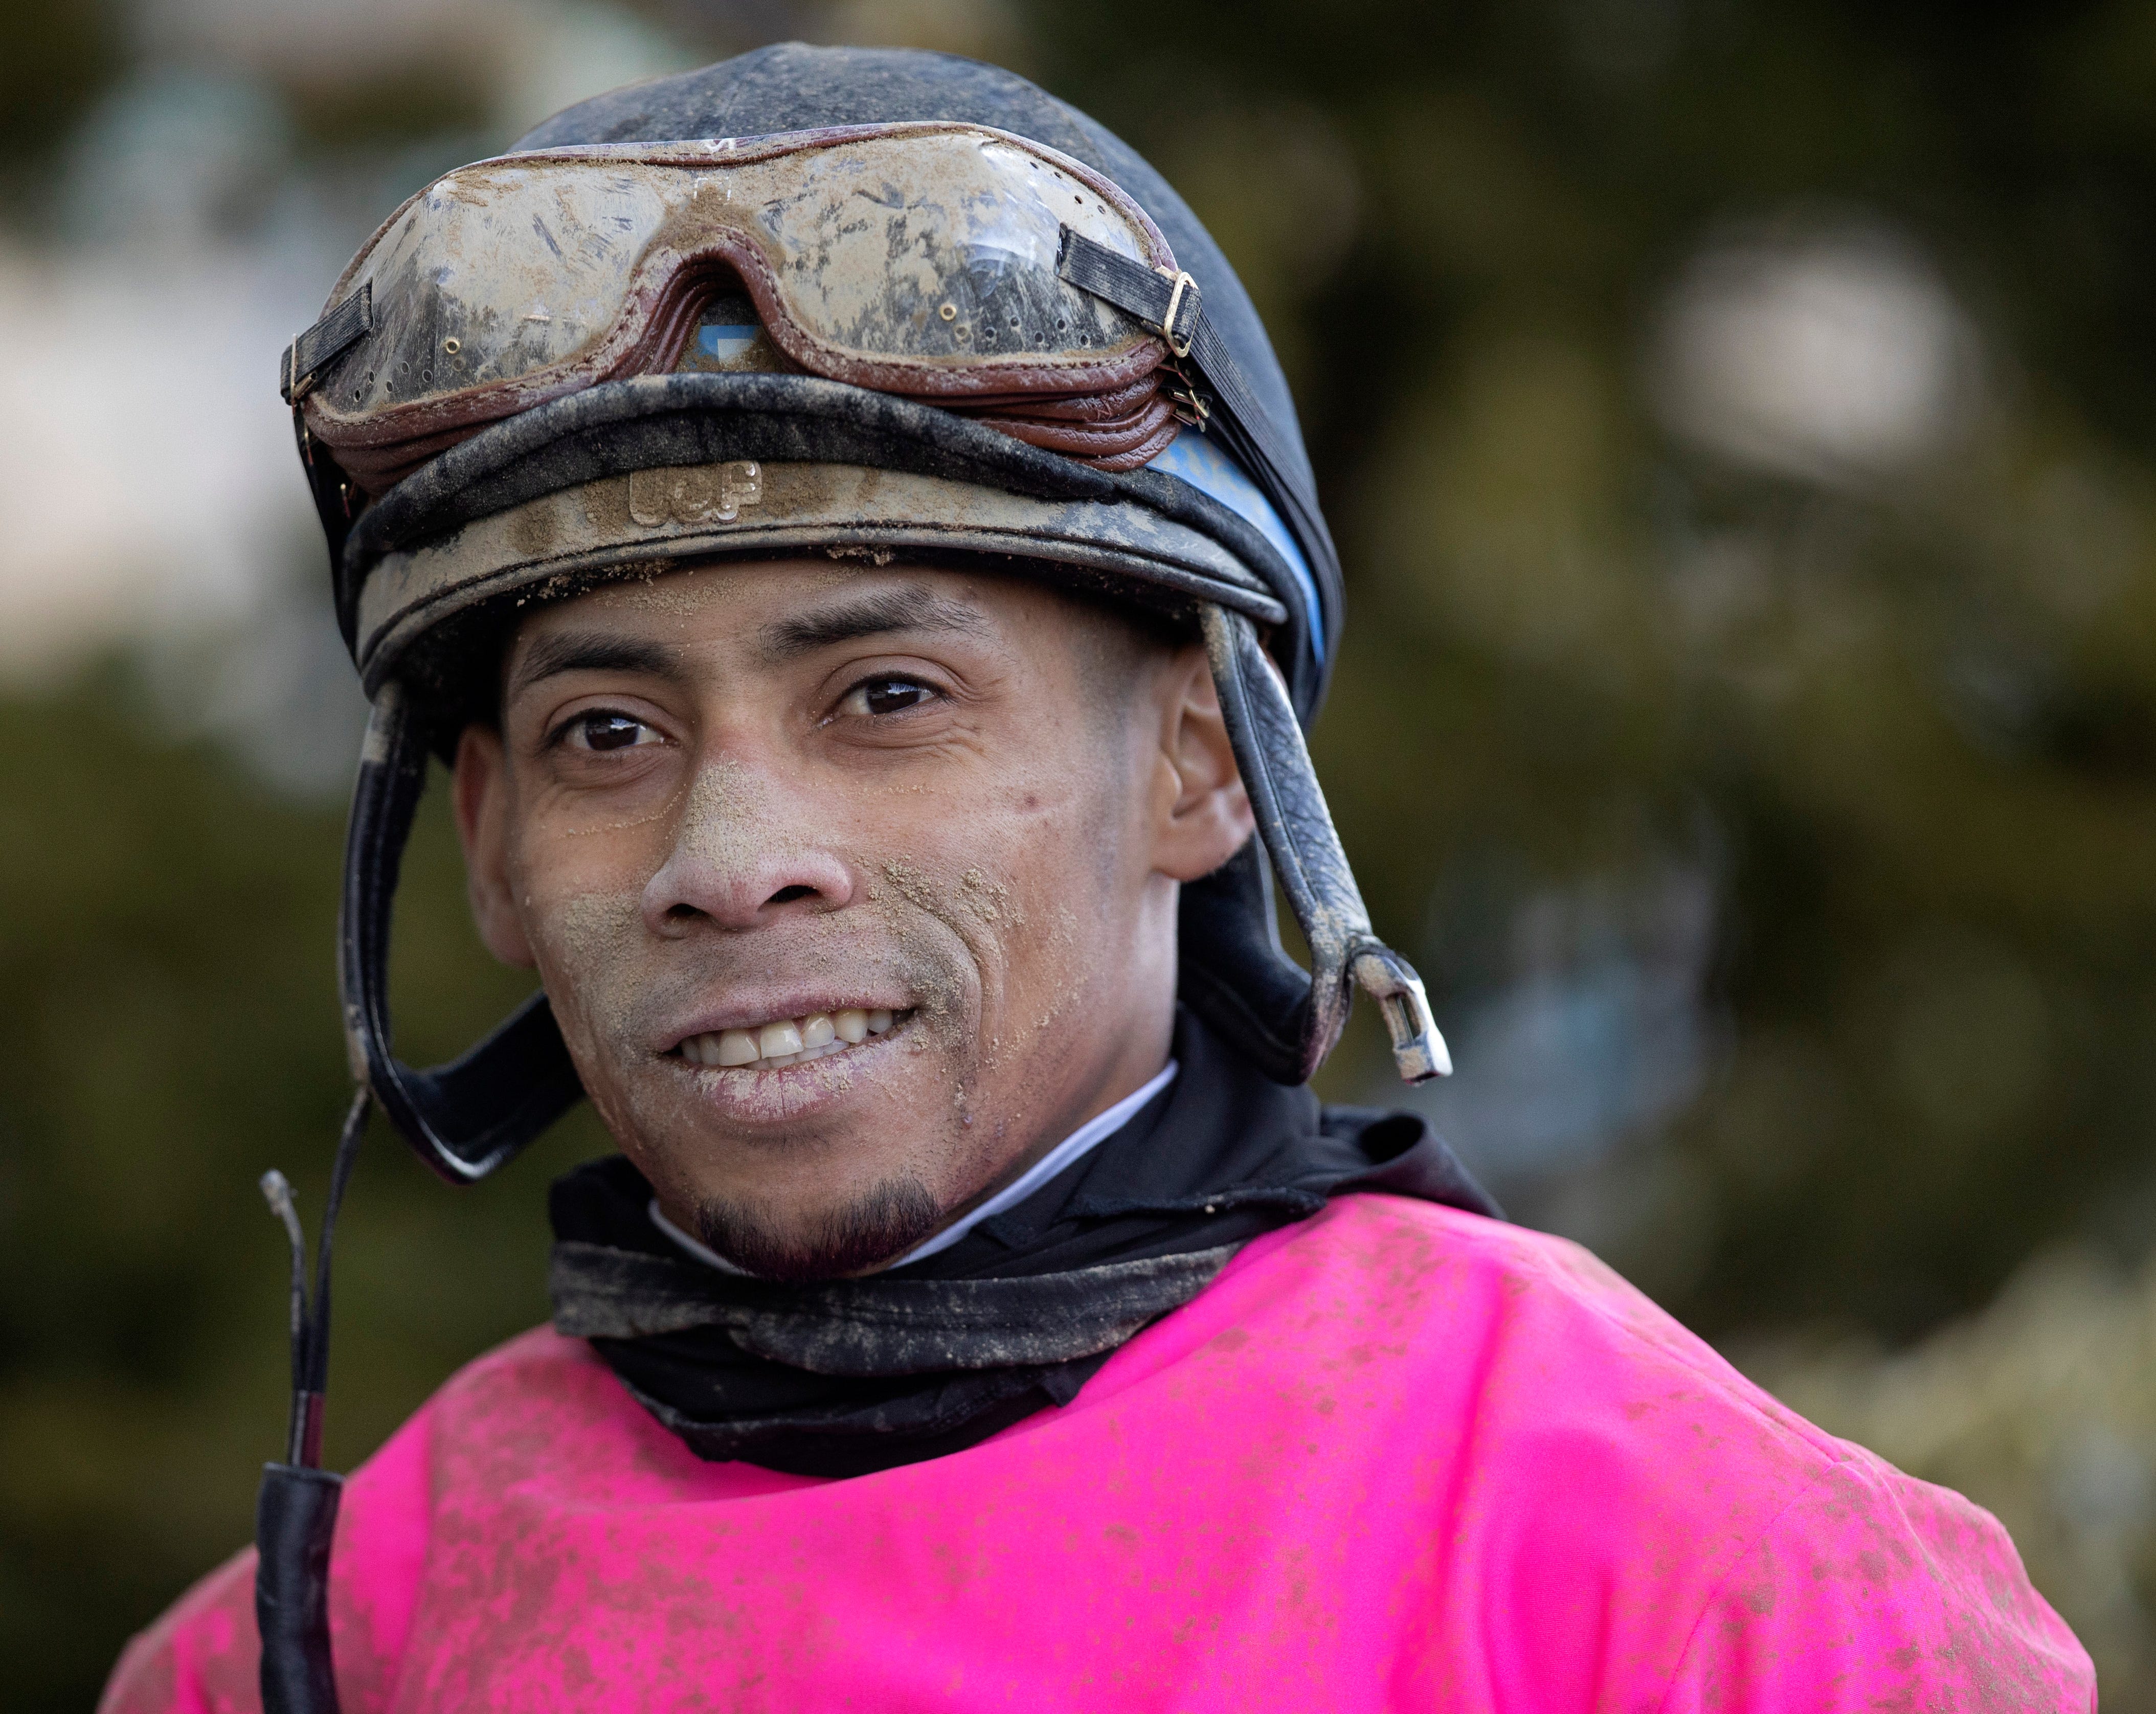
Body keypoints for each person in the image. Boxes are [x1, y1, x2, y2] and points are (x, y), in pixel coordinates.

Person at [100, 43, 2093, 1713]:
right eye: (605, 737)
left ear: (1202, 761)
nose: (727, 863)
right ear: (489, 851)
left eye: (886, 695)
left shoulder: (1726, 1597)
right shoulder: (312, 1645)